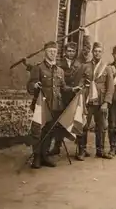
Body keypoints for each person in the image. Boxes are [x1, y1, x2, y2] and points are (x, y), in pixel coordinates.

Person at [26, 41, 82, 169]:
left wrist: (73, 89)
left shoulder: (60, 71)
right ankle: (37, 157)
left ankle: (45, 156)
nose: (53, 53)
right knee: (37, 132)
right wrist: (34, 85)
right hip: (42, 105)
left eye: (55, 51)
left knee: (49, 132)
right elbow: (29, 85)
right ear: (45, 52)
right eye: (50, 51)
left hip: (56, 105)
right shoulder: (38, 68)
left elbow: (63, 87)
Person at [77, 42, 114, 160]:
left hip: (101, 102)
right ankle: (82, 151)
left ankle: (100, 150)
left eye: (99, 51)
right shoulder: (85, 66)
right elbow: (81, 83)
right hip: (88, 101)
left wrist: (106, 103)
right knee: (83, 125)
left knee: (101, 127)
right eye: (95, 51)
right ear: (92, 52)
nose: (97, 53)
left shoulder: (107, 68)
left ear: (102, 53)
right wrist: (81, 99)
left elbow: (110, 87)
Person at [47, 41, 85, 156]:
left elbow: (87, 48)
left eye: (73, 51)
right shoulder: (58, 63)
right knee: (59, 123)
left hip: (75, 97)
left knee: (78, 121)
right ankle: (57, 146)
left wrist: (86, 34)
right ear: (65, 52)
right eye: (69, 50)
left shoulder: (79, 64)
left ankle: (81, 149)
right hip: (62, 96)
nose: (71, 53)